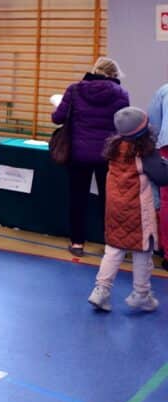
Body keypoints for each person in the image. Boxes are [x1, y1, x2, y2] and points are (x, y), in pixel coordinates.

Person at [87, 107, 168, 312]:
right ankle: (141, 294)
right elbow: (162, 177)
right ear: (144, 131)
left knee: (114, 249)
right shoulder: (146, 153)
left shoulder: (115, 147)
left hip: (115, 208)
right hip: (139, 211)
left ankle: (101, 290)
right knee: (143, 251)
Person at [52, 56, 129, 257]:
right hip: (108, 155)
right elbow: (124, 126)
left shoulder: (74, 90)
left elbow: (58, 118)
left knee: (78, 198)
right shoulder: (121, 94)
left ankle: (77, 243)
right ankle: (111, 243)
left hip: (79, 154)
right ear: (114, 74)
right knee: (109, 200)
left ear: (94, 70)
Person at [148, 81, 168, 262]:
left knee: (165, 201)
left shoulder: (164, 90)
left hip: (166, 147)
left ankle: (165, 249)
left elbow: (153, 124)